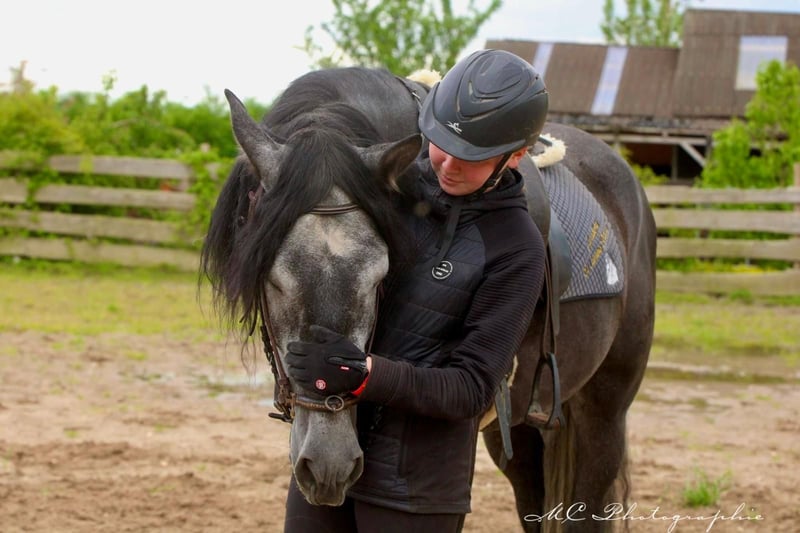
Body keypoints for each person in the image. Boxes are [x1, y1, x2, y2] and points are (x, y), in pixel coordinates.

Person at [283, 49, 549, 532]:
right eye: (441, 143)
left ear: (517, 155)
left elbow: (471, 388)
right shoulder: (385, 190)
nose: (448, 165)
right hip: (330, 453)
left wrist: (362, 375)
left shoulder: (517, 248)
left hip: (415, 492)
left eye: (472, 157)